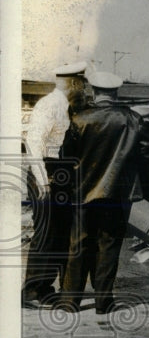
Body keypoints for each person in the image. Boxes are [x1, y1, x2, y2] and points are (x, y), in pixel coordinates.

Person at [57, 71, 149, 317]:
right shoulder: (133, 119)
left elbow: (66, 157)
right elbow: (145, 155)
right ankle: (103, 303)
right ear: (116, 92)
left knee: (78, 245)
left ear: (94, 92)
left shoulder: (79, 119)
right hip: (116, 194)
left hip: (83, 192)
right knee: (109, 246)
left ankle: (70, 302)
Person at [21, 61, 89, 307]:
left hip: (60, 172)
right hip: (46, 174)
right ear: (73, 83)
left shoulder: (67, 105)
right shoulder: (49, 105)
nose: (83, 88)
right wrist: (43, 182)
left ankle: (45, 288)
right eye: (81, 83)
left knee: (59, 234)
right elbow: (34, 144)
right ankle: (30, 291)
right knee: (45, 234)